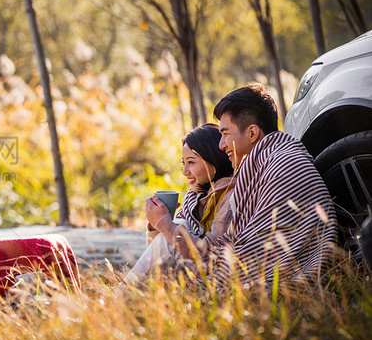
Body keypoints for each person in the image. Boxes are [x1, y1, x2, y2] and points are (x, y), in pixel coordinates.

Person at [146, 84, 336, 290]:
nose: (221, 145)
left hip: (289, 284)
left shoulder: (281, 165)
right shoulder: (270, 160)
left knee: (183, 281)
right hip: (299, 278)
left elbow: (246, 253)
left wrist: (166, 225)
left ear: (252, 133)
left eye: (226, 134)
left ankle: (129, 296)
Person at [124, 124, 235, 285]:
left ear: (214, 161)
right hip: (193, 270)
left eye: (191, 162)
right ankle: (128, 296)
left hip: (216, 273)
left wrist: (165, 223)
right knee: (178, 225)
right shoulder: (195, 195)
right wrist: (157, 225)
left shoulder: (230, 196)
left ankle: (121, 294)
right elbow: (156, 252)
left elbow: (208, 253)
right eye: (183, 163)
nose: (185, 171)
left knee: (176, 227)